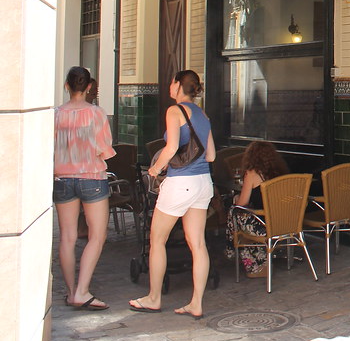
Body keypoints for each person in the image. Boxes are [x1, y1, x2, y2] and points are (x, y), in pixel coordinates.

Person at [129, 70, 216, 319]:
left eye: (171, 81)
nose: (170, 85)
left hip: (180, 184)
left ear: (178, 85)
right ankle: (196, 303)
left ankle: (154, 298)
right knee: (197, 243)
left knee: (157, 240)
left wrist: (155, 170)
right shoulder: (203, 114)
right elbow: (211, 156)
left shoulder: (175, 111)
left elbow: (171, 147)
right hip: (203, 183)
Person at [54, 66, 115, 311]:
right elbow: (105, 149)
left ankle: (71, 292)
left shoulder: (55, 114)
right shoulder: (96, 114)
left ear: (67, 85)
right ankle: (82, 290)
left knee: (67, 237)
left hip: (62, 179)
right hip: (92, 178)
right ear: (89, 87)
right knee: (97, 235)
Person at [225, 141, 289, 277]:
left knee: (234, 211)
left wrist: (236, 199)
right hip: (283, 222)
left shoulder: (252, 174)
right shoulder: (281, 172)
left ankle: (232, 249)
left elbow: (242, 203)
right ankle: (243, 254)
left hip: (263, 225)